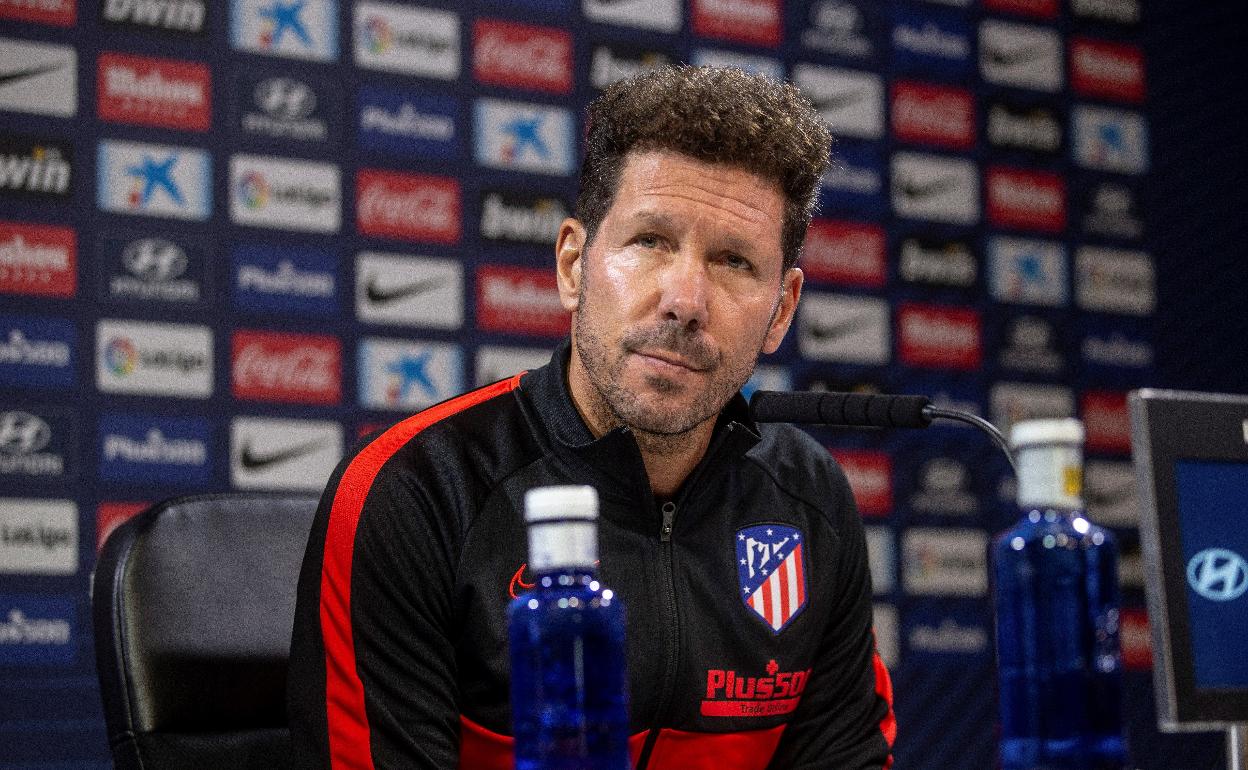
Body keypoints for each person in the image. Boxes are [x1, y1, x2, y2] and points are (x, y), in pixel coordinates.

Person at [288, 65, 895, 770]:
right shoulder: (415, 493)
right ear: (574, 266)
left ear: (781, 310)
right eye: (651, 242)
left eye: (734, 262)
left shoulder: (808, 502)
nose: (685, 299)